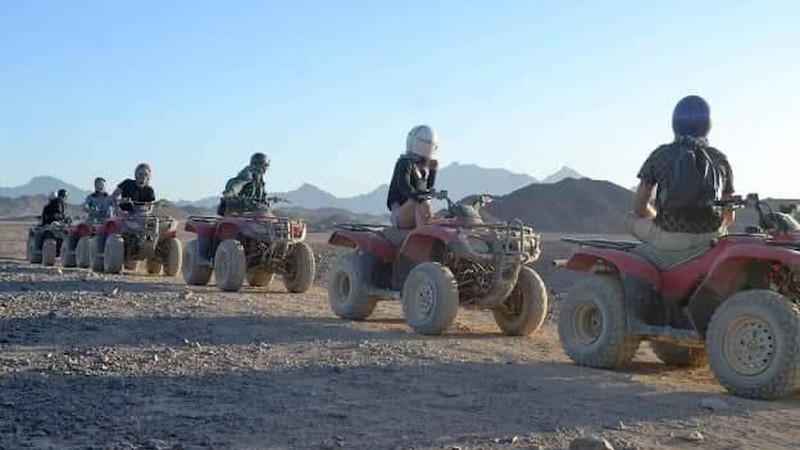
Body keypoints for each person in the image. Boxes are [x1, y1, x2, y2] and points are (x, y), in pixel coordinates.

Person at [627, 95, 735, 251]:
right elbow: (729, 216)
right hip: (711, 238)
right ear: (707, 125)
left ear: (675, 124)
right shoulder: (719, 159)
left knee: (630, 218)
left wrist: (658, 217)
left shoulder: (661, 154)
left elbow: (639, 207)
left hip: (670, 239)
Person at [386, 125, 439, 229]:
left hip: (413, 214)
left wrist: (433, 172)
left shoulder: (421, 171)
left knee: (423, 198)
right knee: (419, 199)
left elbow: (427, 191)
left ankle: (427, 227)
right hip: (399, 215)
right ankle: (423, 230)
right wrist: (419, 197)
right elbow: (404, 186)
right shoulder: (404, 163)